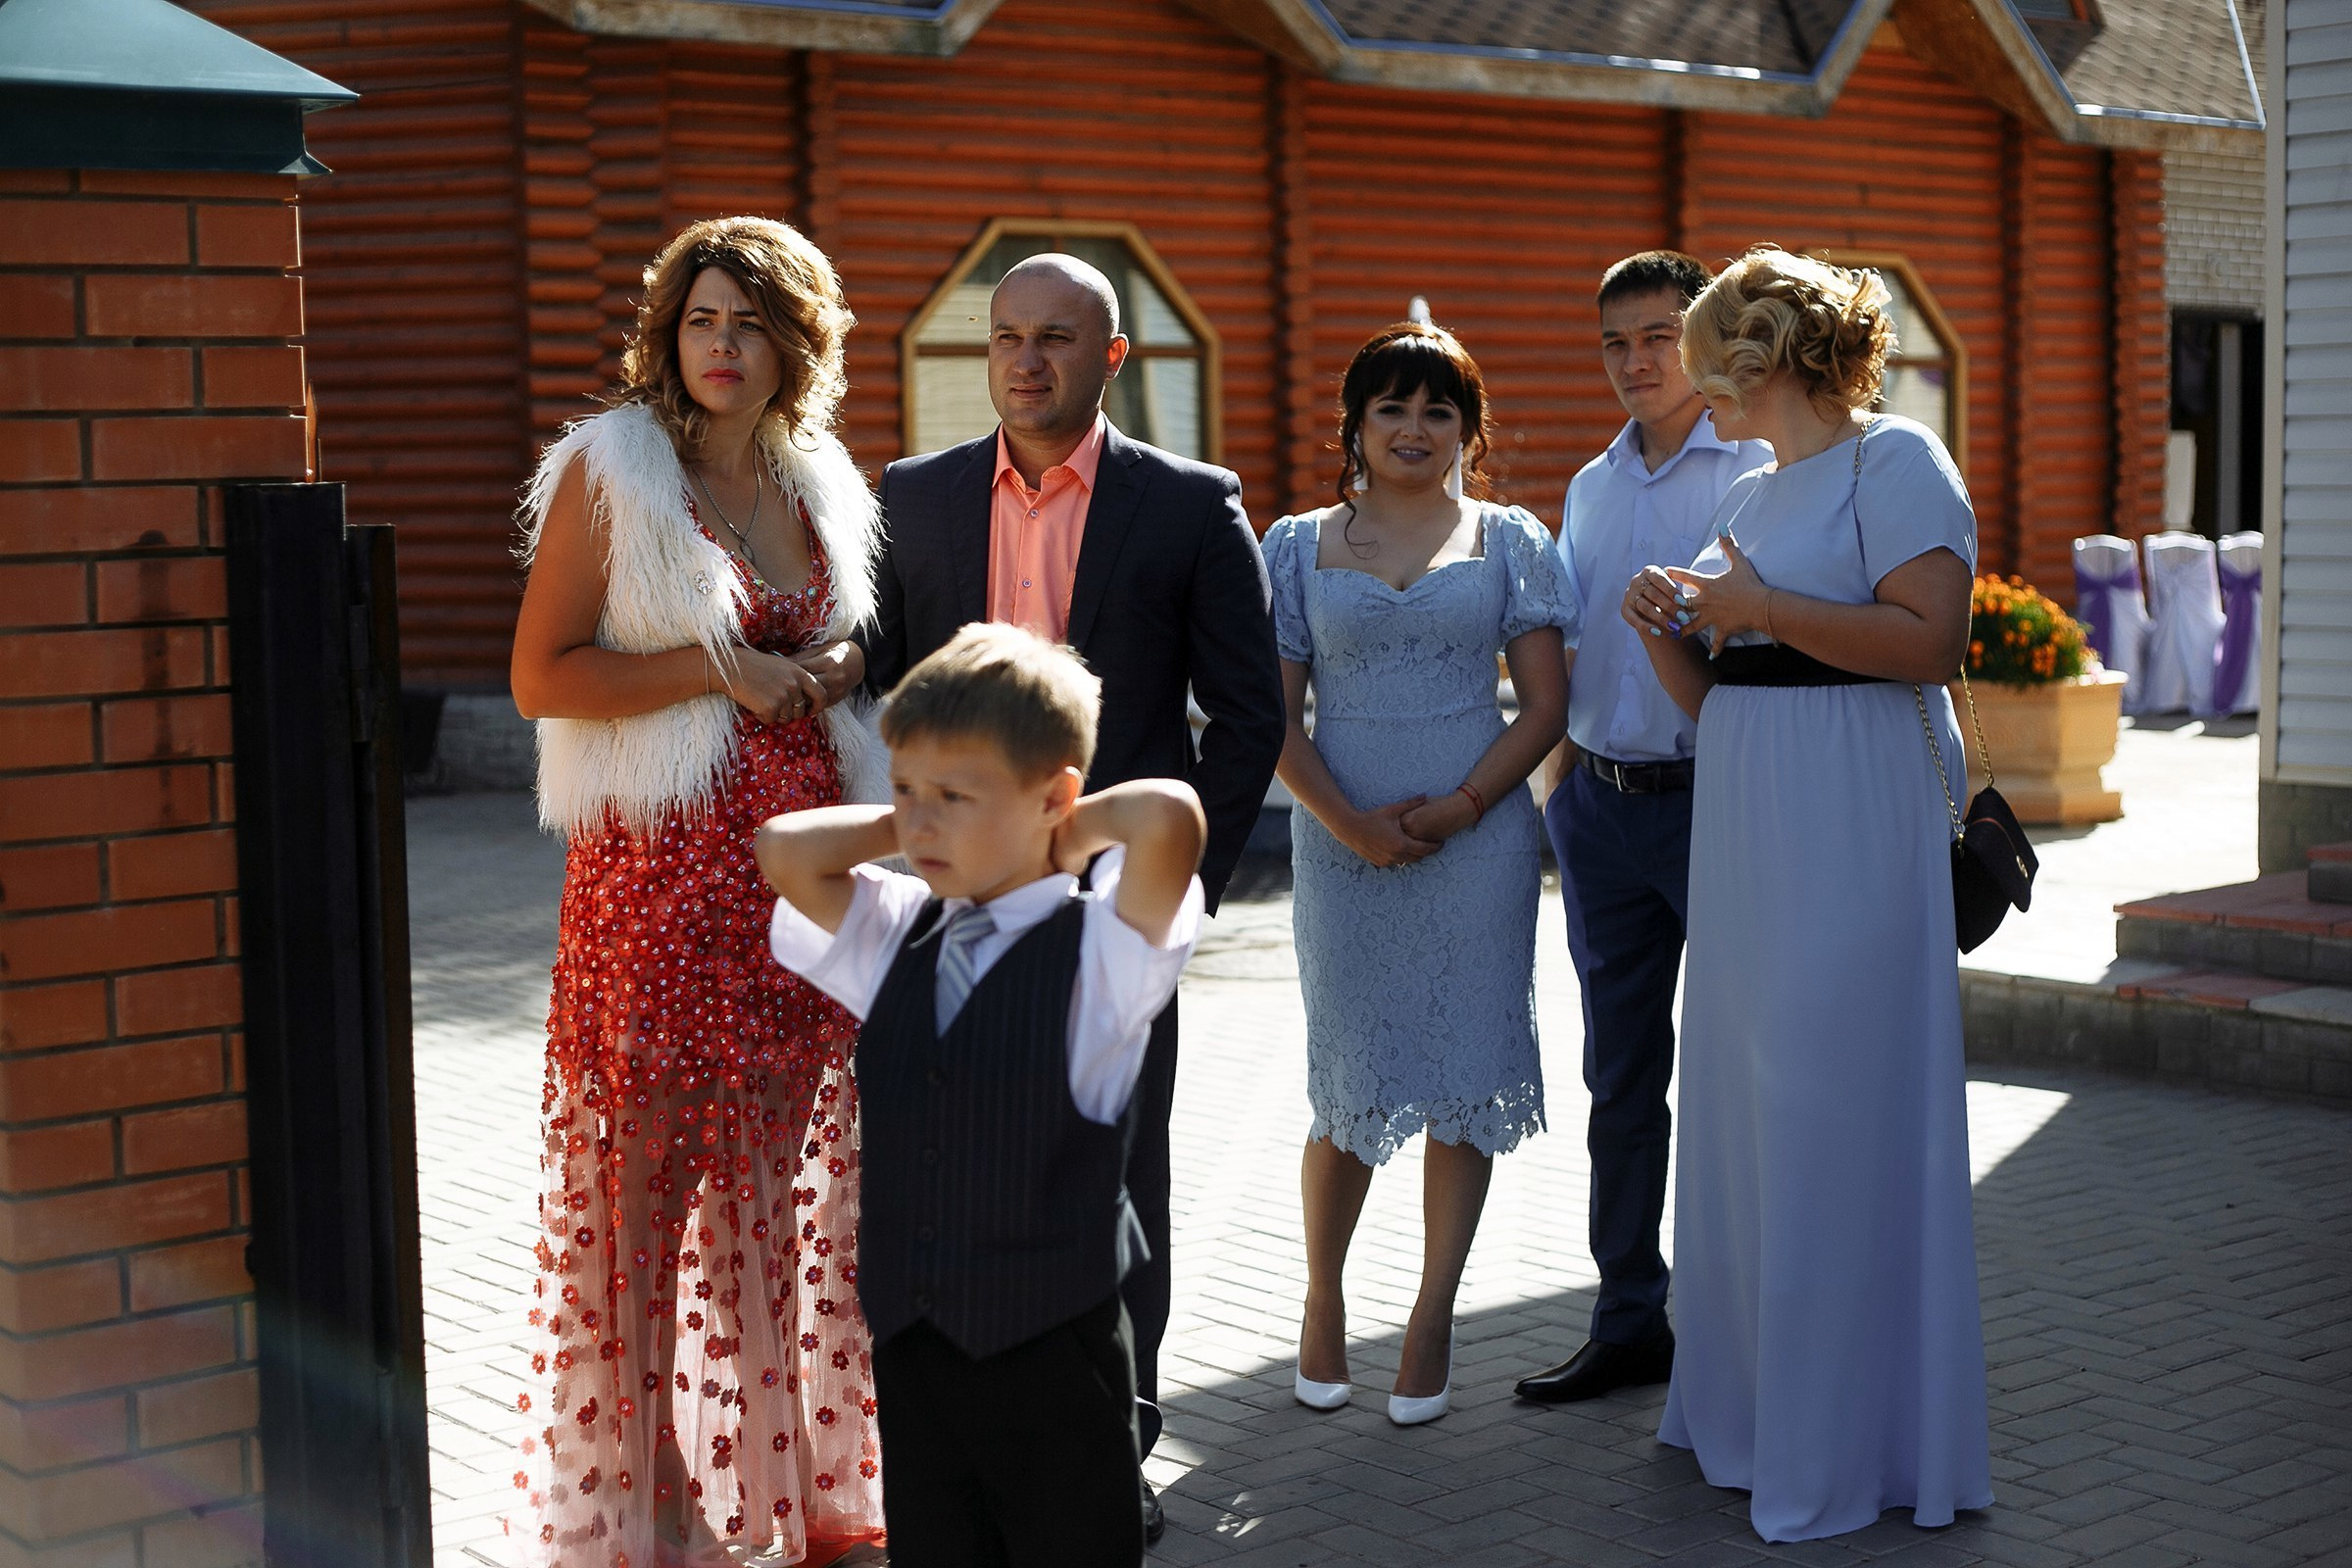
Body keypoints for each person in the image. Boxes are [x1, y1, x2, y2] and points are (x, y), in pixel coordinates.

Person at [859, 251, 1284, 1529]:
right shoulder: (915, 496)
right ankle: (958, 1450)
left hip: (1108, 906)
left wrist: (1173, 890)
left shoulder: (1190, 504)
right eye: (1006, 336)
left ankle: (1118, 1442)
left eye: (1055, 337)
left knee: (1112, 1176)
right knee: (951, 1172)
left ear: (1112, 356)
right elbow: (874, 672)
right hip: (948, 902)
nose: (1026, 359)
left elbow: (1249, 715)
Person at [509, 216, 886, 1566]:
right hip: (660, 888)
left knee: (777, 1198)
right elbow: (540, 676)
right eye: (700, 320)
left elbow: (841, 637)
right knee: (645, 1210)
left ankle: (795, 1491)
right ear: (668, 336)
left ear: (798, 341)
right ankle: (657, 1506)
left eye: (750, 322)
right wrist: (715, 670)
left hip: (798, 896)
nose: (722, 346)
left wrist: (833, 669)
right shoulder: (612, 466)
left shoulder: (816, 475)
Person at [1622, 246, 1992, 1542]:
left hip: (1853, 812)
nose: (1691, 385)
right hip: (1750, 815)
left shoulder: (1900, 463)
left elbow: (1932, 641)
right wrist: (1663, 630)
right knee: (1750, 1102)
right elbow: (1722, 689)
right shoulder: (1755, 491)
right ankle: (1752, 1411)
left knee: (1833, 1099)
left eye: (1704, 360)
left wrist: (1761, 604)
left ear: (1759, 356)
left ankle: (1853, 1438)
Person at [758, 623, 1206, 1568]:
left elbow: (1169, 817)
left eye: (954, 797)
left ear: (1056, 798)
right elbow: (784, 850)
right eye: (906, 790)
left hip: (1053, 1366)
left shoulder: (1102, 953)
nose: (921, 823)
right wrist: (920, 818)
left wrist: (1060, 833)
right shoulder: (899, 931)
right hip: (915, 1355)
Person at [1262, 322, 1576, 1426]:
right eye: (1391, 407)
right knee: (1347, 1081)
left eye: (1438, 410)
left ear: (1468, 432)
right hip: (1338, 841)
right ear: (1354, 424)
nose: (1413, 427)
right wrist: (1350, 824)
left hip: (1476, 846)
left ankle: (1433, 1315)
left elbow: (1545, 706)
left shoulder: (1513, 540)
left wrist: (1464, 805)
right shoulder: (1294, 546)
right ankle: (1322, 1298)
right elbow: (1272, 717)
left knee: (1466, 1077)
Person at [1515, 252, 1771, 1407]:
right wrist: (1560, 789)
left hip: (1722, 808)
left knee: (1744, 1074)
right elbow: (1572, 645)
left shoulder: (1761, 468)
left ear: (1702, 337)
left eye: (1659, 335)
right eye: (1615, 342)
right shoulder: (1592, 484)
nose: (1636, 361)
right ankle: (1628, 1318)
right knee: (1619, 1078)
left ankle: (1744, 1327)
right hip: (1602, 815)